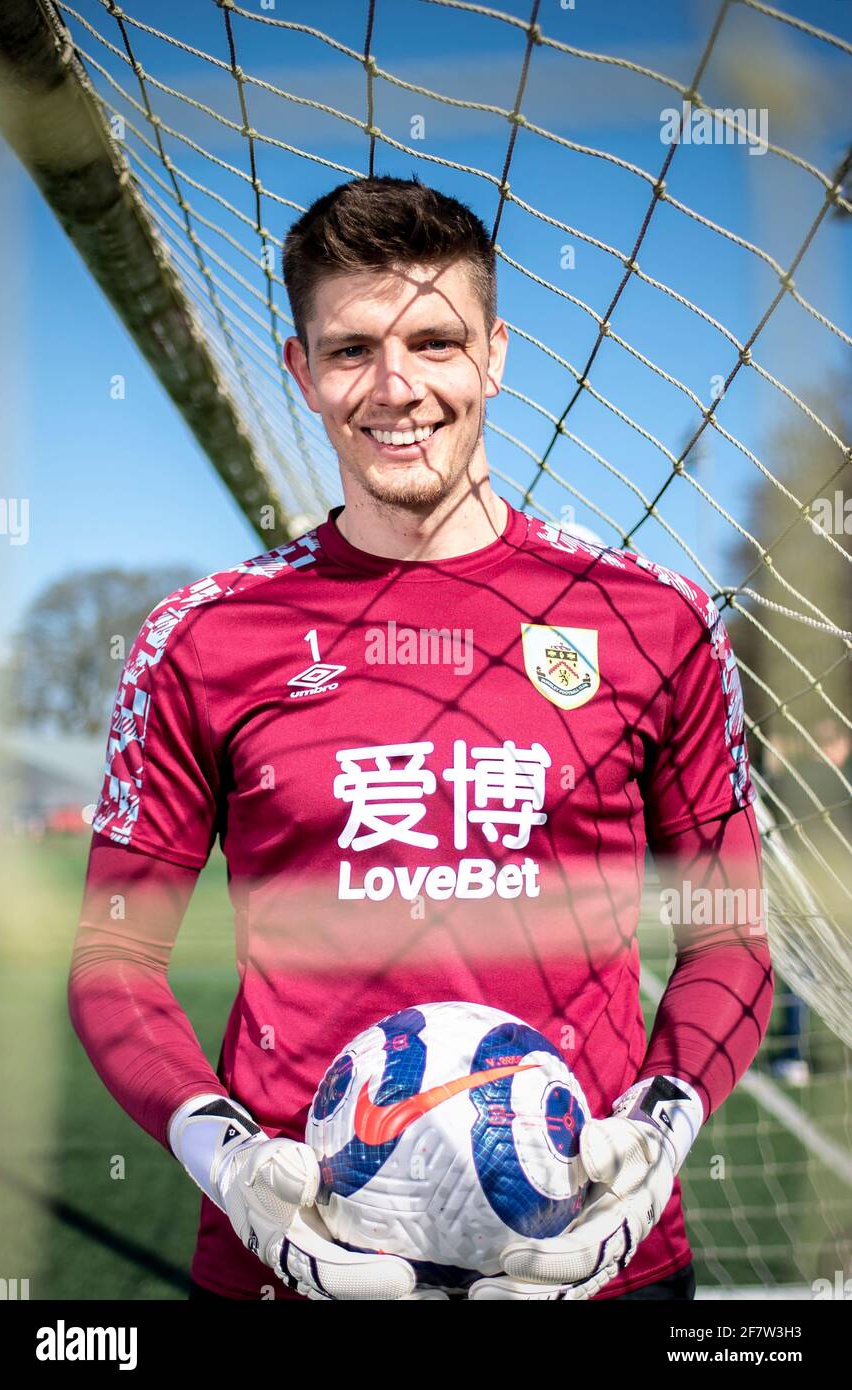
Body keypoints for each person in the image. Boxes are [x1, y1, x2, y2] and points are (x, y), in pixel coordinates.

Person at [68, 175, 773, 1301]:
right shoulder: (200, 639)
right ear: (301, 373)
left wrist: (660, 1132)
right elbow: (116, 956)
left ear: (493, 353)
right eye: (350, 350)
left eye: (434, 341)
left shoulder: (655, 620)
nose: (397, 389)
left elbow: (727, 938)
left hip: (589, 1255)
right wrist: (224, 1153)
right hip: (294, 1257)